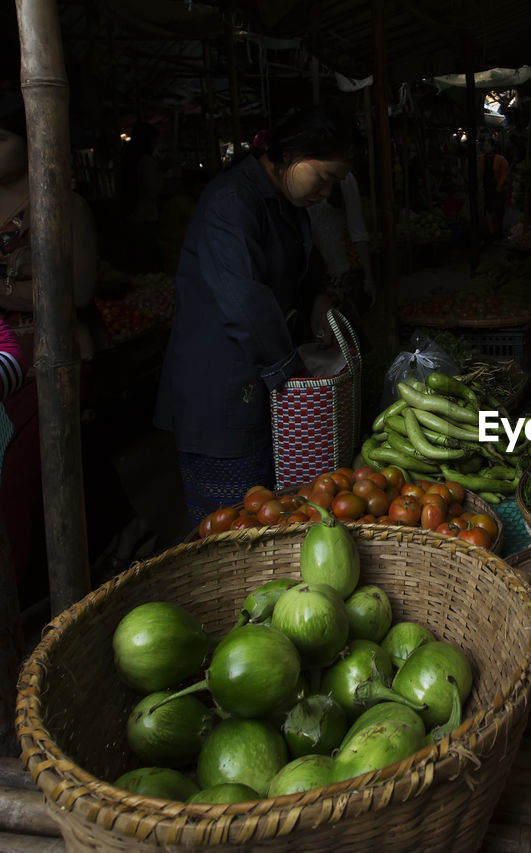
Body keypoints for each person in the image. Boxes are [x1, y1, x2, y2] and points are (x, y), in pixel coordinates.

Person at [154, 105, 356, 529]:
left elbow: (293, 272)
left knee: (265, 512)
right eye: (324, 179)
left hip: (255, 376)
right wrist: (293, 371)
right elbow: (243, 299)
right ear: (293, 153)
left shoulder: (285, 203)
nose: (326, 193)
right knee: (229, 525)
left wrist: (317, 298)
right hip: (218, 385)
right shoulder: (231, 202)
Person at [0, 90, 136, 608]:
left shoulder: (62, 203)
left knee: (21, 472)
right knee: (68, 463)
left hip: (54, 356)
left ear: (28, 140)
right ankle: (126, 531)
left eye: (1, 138)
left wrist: (8, 292)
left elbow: (75, 292)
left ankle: (34, 597)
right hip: (7, 358)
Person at [306, 170, 374, 322]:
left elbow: (358, 231)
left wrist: (368, 278)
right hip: (309, 276)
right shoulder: (298, 176)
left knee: (339, 331)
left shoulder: (345, 178)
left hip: (338, 273)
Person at [117, 121, 164, 273]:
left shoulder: (128, 159)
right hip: (145, 217)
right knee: (145, 260)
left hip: (132, 214)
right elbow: (152, 191)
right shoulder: (147, 161)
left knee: (137, 259)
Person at [477, 138, 510, 243]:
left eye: (487, 145)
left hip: (497, 190)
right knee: (485, 213)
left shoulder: (501, 159)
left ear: (493, 147)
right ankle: (487, 235)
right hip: (483, 189)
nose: (485, 147)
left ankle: (497, 236)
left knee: (498, 212)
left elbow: (505, 174)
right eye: (484, 145)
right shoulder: (479, 159)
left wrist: (499, 187)